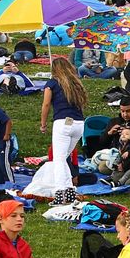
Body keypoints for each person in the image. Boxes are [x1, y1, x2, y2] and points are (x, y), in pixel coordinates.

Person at [31, 56, 85, 200]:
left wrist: (43, 123)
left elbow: (46, 104)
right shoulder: (76, 84)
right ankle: (69, 188)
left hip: (63, 123)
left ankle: (61, 192)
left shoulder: (52, 83)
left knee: (59, 159)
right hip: (79, 124)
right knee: (63, 157)